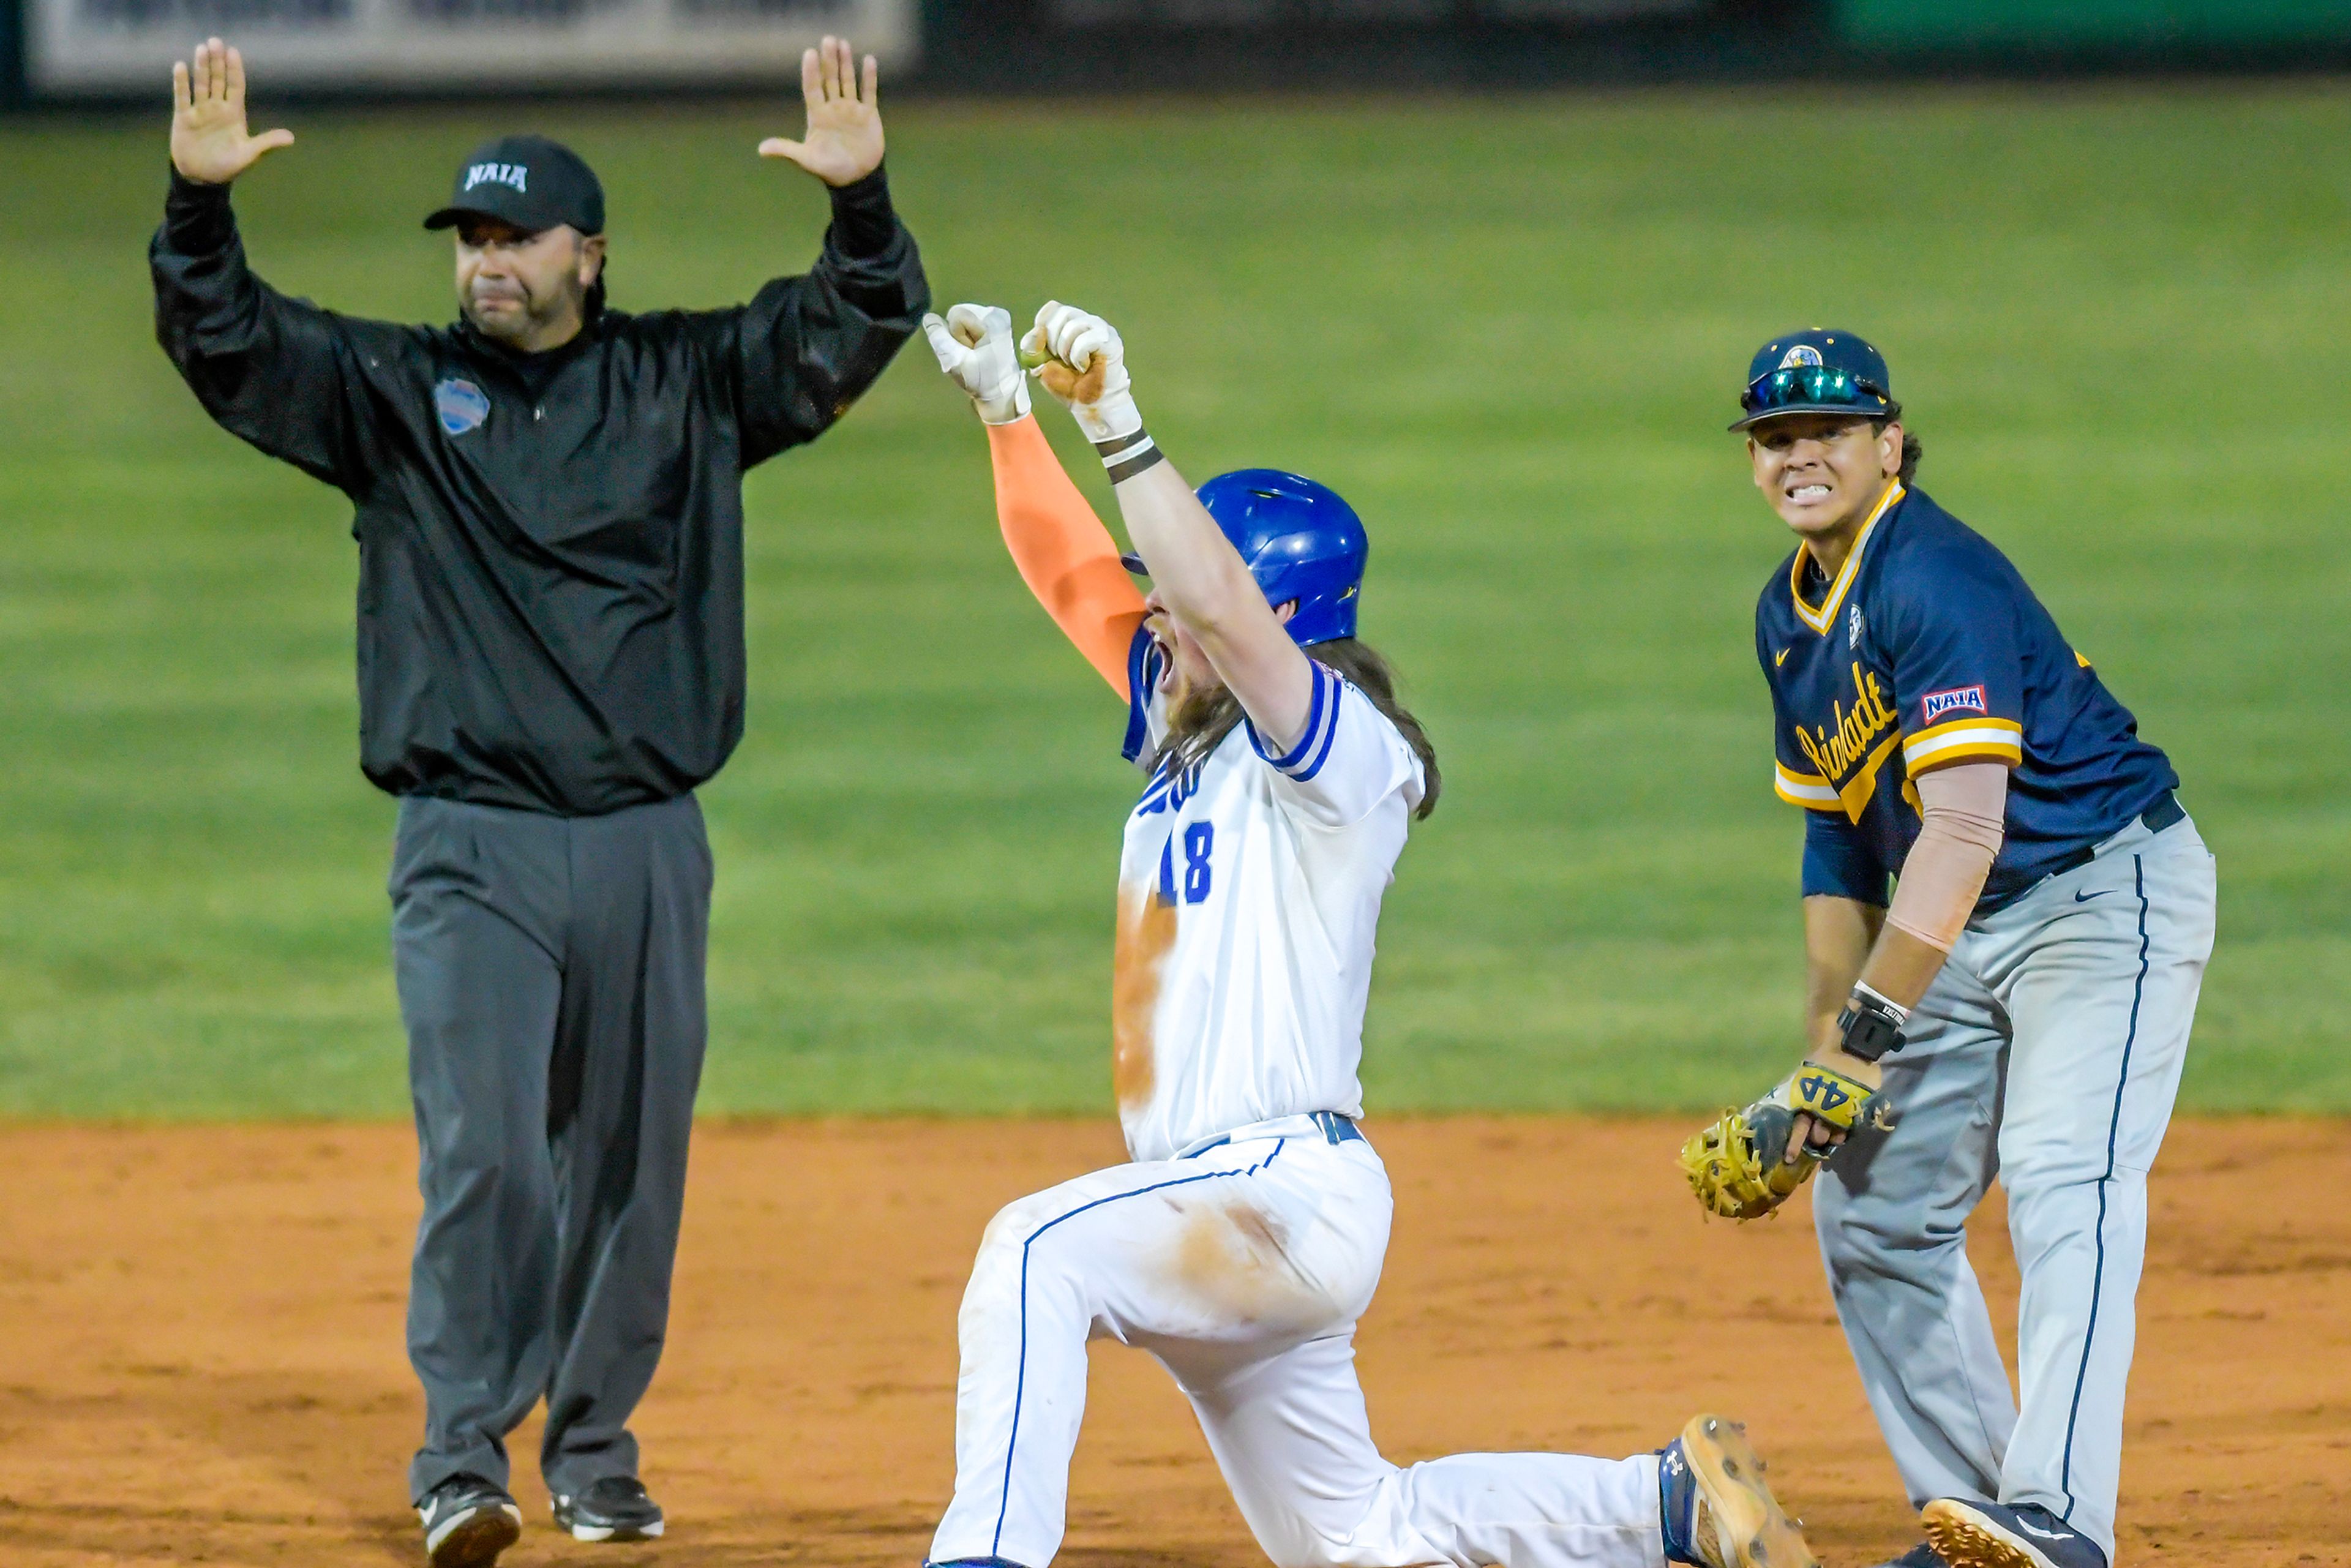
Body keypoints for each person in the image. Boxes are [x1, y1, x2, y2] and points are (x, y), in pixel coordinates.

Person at [151, 36, 927, 1568]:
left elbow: (854, 321)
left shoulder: (685, 381)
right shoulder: (391, 394)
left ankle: (592, 1453)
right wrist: (195, 209)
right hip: (473, 845)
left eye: (515, 238)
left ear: (592, 254)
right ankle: (461, 1461)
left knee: (631, 1169)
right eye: (472, 240)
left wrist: (861, 205)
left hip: (647, 841)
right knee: (491, 1155)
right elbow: (229, 342)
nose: (488, 263)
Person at [917, 298, 1821, 1568]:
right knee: (1354, 1537)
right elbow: (1083, 580)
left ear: (1271, 620)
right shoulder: (1195, 724)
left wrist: (1120, 426)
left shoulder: (1338, 751)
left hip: (1277, 1197)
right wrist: (1011, 418)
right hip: (1217, 1216)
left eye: (1173, 603)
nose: (1152, 624)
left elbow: (1217, 611)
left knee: (1033, 1250)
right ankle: (1664, 1507)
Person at [1719, 331, 2215, 1568]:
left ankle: (2060, 1517)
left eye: (1829, 430)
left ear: (1890, 445)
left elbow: (1964, 825)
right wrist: (1821, 1066)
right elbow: (1840, 845)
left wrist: (1869, 1041)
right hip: (1961, 922)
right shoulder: (1787, 613)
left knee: (2066, 1184)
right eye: (1776, 438)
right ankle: (1976, 1526)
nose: (1800, 455)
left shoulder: (1931, 576)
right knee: (1874, 1214)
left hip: (2100, 897)